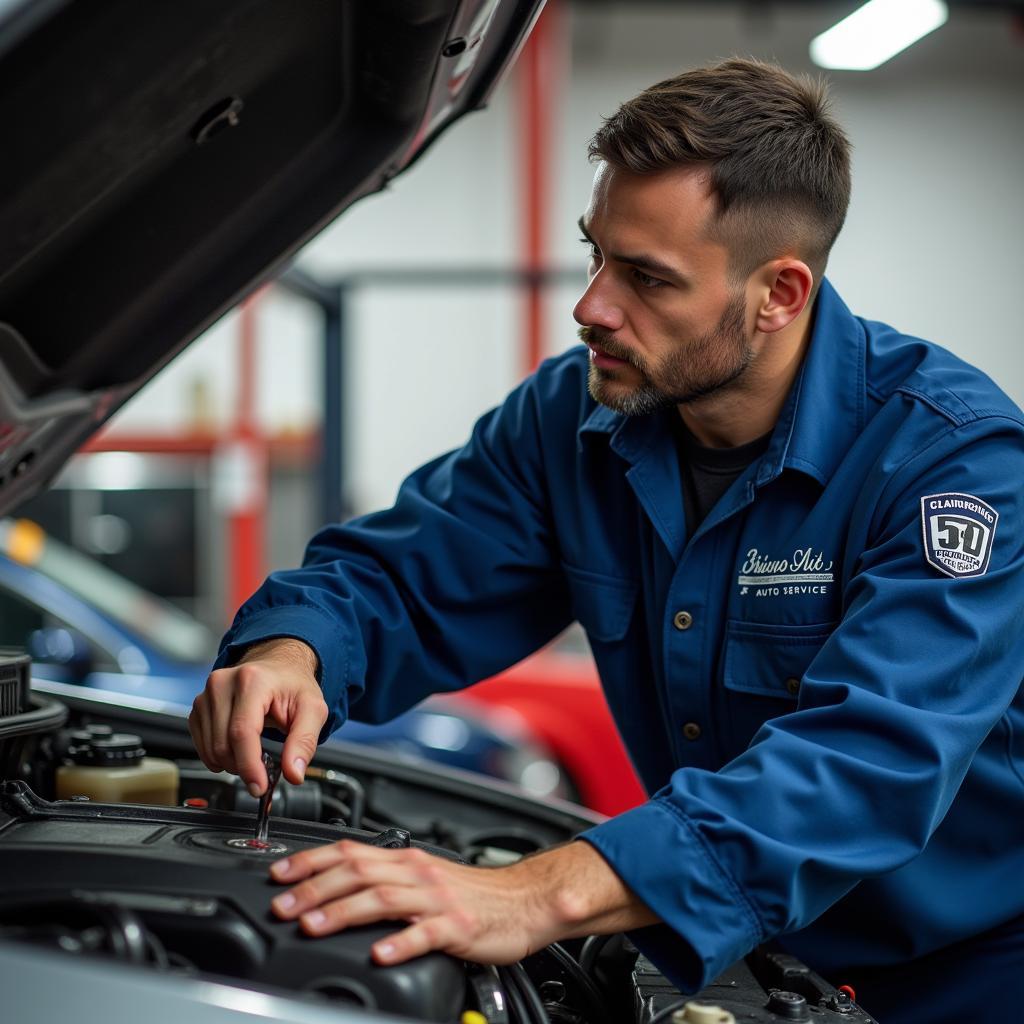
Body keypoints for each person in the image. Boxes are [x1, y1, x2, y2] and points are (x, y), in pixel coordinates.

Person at [188, 58, 1024, 1023]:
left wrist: (538, 893)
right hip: (748, 954)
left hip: (972, 975)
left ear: (780, 293)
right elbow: (409, 579)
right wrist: (295, 649)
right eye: (595, 254)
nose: (591, 305)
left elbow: (868, 761)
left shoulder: (952, 465)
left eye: (646, 277)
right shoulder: (572, 421)